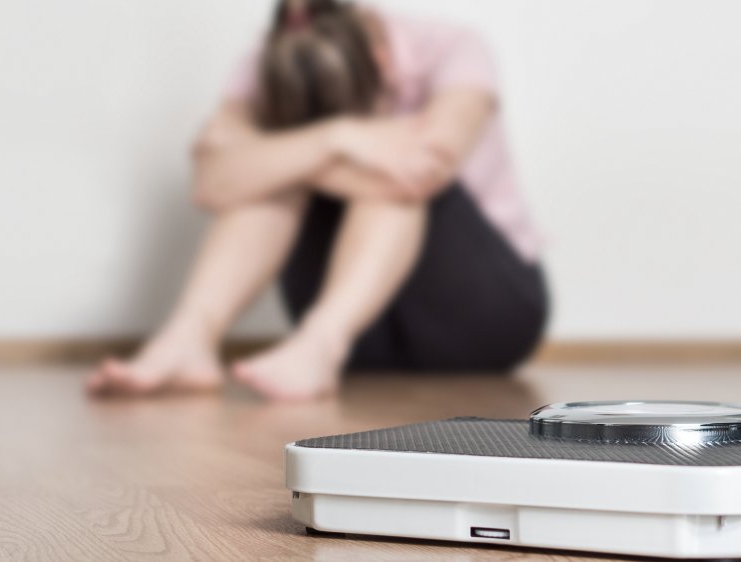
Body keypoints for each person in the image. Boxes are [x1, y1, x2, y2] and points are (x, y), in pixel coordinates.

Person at [87, 0, 547, 401]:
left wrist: (296, 153)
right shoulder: (269, 59)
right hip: (368, 341)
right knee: (269, 173)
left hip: (485, 318)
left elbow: (424, 167)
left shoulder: (451, 46)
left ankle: (320, 344)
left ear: (383, 62)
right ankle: (189, 339)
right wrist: (335, 139)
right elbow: (211, 183)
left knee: (389, 175)